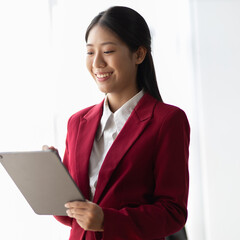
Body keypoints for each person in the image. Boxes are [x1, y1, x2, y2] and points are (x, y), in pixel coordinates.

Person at [49, 6, 190, 240]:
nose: (97, 63)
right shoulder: (77, 122)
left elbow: (173, 213)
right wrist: (54, 181)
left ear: (139, 54)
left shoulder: (167, 121)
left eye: (108, 51)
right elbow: (69, 217)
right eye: (90, 52)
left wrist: (106, 220)